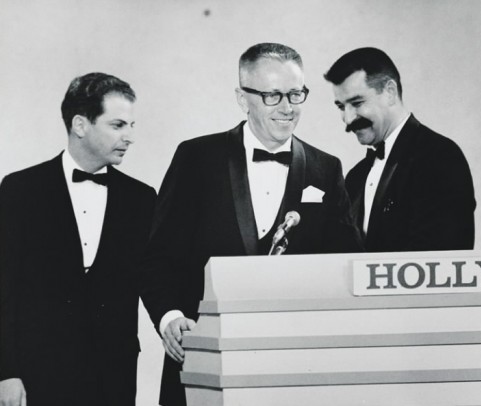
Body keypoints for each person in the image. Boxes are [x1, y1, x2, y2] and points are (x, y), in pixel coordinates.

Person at [143, 42, 362, 406]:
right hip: (204, 361)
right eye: (273, 95)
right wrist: (170, 318)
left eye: (295, 93)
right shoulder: (196, 158)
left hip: (291, 371)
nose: (288, 108)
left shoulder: (327, 169)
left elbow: (347, 266)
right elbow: (156, 257)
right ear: (242, 98)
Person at [0, 73, 168, 406]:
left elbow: (152, 278)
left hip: (113, 375)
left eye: (131, 125)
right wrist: (6, 372)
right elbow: (4, 287)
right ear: (80, 124)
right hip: (37, 376)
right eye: (118, 125)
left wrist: (170, 319)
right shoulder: (20, 190)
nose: (130, 137)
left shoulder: (141, 198)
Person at [324, 47, 476, 252]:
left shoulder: (440, 157)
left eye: (357, 102)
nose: (348, 119)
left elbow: (445, 260)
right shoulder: (356, 176)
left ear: (390, 92)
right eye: (341, 107)